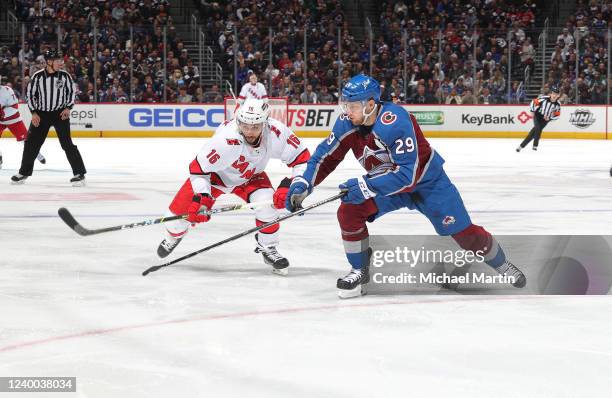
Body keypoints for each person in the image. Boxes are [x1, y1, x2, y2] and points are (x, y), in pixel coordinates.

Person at [284, 75, 526, 298]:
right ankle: (359, 270)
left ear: (370, 104)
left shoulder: (395, 120)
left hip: (428, 184)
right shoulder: (347, 123)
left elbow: (408, 175)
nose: (347, 112)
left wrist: (365, 185)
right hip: (386, 186)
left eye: (353, 106)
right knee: (349, 211)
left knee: (463, 233)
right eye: (345, 105)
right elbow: (325, 156)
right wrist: (305, 182)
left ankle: (501, 263)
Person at [158, 98, 310, 275]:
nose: (249, 132)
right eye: (245, 126)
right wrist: (203, 197)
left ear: (265, 122)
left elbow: (303, 159)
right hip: (215, 177)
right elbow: (198, 170)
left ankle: (268, 247)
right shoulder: (226, 139)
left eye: (255, 127)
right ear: (238, 121)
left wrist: (291, 186)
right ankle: (173, 236)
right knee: (175, 220)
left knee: (268, 204)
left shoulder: (276, 132)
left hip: (251, 176)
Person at [11, 49, 86, 186]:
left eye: (61, 60)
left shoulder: (65, 76)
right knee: (31, 144)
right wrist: (34, 113)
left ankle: (79, 173)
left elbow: (71, 93)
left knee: (67, 144)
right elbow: (30, 95)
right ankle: (23, 173)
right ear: (49, 62)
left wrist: (68, 108)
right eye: (58, 61)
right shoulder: (38, 77)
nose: (61, 63)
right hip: (41, 114)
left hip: (60, 114)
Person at [0, 83, 46, 169]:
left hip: (13, 119)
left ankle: (37, 154)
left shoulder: (7, 90)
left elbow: (14, 106)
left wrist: (3, 113)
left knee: (25, 139)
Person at [516, 84, 561, 152]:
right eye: (553, 93)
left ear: (558, 95)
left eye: (556, 94)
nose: (554, 95)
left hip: (546, 120)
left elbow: (557, 115)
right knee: (538, 129)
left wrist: (550, 118)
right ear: (551, 94)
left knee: (532, 133)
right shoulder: (544, 98)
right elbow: (533, 102)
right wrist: (532, 111)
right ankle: (535, 145)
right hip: (537, 115)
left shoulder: (558, 104)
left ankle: (521, 146)